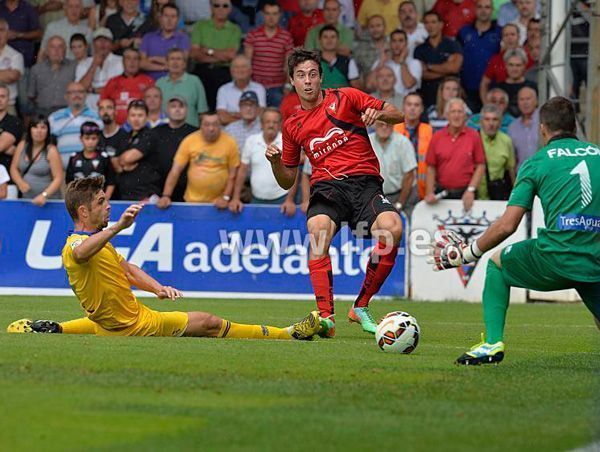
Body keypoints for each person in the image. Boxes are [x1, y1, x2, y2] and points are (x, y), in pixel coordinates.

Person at [7, 175, 320, 340]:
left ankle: (51, 329)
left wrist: (157, 287)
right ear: (83, 212)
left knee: (95, 324)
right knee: (209, 323)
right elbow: (80, 252)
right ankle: (287, 334)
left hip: (109, 324)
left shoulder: (100, 245)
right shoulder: (75, 245)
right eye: (102, 202)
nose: (109, 206)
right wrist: (119, 227)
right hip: (135, 326)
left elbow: (128, 269)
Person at [428, 96, 600, 365]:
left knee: (497, 264)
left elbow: (508, 225)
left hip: (554, 258)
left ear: (543, 128)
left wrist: (468, 253)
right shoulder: (598, 154)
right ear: (574, 126)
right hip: (594, 260)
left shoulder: (536, 162)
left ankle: (492, 343)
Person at [267, 49, 404, 338]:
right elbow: (286, 180)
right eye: (301, 75)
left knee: (393, 229)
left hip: (365, 184)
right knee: (317, 229)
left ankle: (361, 307)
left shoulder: (346, 97)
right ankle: (326, 318)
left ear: (320, 77)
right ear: (292, 80)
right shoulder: (292, 125)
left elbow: (398, 114)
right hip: (327, 188)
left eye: (313, 74)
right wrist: (276, 163)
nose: (308, 81)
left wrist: (378, 113)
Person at [157, 111, 239, 208]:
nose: (211, 128)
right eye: (207, 124)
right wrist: (166, 195)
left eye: (215, 124)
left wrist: (225, 197)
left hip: (219, 203)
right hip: (192, 201)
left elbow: (233, 175)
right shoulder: (190, 140)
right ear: (200, 126)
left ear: (220, 125)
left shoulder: (230, 142)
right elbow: (175, 171)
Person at [229, 108, 297, 214]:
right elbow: (242, 171)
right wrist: (236, 198)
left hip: (282, 199)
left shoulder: (287, 142)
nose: (271, 125)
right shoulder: (251, 141)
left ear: (280, 124)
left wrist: (290, 200)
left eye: (275, 122)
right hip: (256, 199)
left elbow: (293, 173)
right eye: (267, 122)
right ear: (261, 124)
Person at [424, 97, 485, 212]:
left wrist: (471, 190)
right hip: (442, 194)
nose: (456, 115)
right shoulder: (437, 137)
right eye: (453, 112)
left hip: (466, 194)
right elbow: (431, 167)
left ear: (465, 115)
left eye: (460, 112)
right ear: (447, 115)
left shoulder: (474, 136)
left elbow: (480, 165)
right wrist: (429, 192)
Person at [190, 0, 241, 111]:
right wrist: (221, 54)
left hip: (223, 72)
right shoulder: (201, 25)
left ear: (230, 9)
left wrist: (208, 50)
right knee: (197, 107)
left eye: (225, 6)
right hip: (201, 70)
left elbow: (230, 56)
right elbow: (194, 54)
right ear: (211, 8)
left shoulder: (235, 29)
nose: (221, 8)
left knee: (219, 108)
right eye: (217, 5)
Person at [243, 0, 293, 108]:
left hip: (278, 87)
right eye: (268, 13)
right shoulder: (253, 35)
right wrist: (247, 85)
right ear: (263, 14)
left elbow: (289, 63)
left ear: (280, 15)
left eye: (274, 14)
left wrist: (288, 85)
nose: (271, 17)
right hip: (255, 86)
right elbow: (247, 62)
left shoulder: (286, 37)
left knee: (278, 119)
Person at [457, 0, 501, 112]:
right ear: (475, 9)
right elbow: (457, 59)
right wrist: (458, 83)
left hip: (492, 87)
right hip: (467, 87)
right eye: (480, 7)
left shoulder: (499, 32)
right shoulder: (464, 31)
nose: (483, 10)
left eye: (487, 7)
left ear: (492, 11)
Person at [414, 11, 463, 109]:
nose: (430, 26)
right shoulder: (420, 49)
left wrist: (429, 66)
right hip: (428, 96)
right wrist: (447, 70)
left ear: (441, 25)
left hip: (451, 95)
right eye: (427, 23)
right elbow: (423, 74)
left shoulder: (453, 44)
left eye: (433, 22)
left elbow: (455, 68)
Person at [10, 115, 63, 205]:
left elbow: (58, 178)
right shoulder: (22, 145)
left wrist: (44, 195)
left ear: (48, 131)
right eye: (35, 127)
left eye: (43, 127)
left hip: (49, 201)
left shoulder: (51, 150)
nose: (39, 131)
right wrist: (19, 182)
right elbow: (13, 168)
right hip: (26, 199)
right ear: (30, 129)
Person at [152, 95, 197, 202]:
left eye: (181, 106)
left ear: (187, 110)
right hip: (160, 189)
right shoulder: (155, 132)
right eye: (173, 106)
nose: (177, 109)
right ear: (167, 110)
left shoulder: (195, 133)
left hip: (188, 189)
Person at [48, 81, 103, 168]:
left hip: (91, 171)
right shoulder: (54, 117)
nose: (77, 95)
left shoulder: (97, 116)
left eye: (80, 92)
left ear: (86, 95)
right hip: (63, 173)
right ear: (66, 96)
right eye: (73, 92)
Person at [370, 120, 417, 214]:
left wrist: (400, 203)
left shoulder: (403, 142)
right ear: (374, 124)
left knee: (404, 227)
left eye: (388, 124)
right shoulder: (367, 142)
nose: (384, 127)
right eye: (381, 124)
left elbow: (409, 175)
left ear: (393, 125)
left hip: (401, 196)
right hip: (375, 197)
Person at [101, 48, 155, 126]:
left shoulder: (148, 82)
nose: (132, 62)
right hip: (116, 128)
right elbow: (103, 105)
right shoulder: (112, 82)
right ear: (123, 62)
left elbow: (154, 106)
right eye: (128, 58)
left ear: (139, 62)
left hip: (141, 127)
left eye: (135, 59)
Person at [156, 48, 208, 128]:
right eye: (172, 59)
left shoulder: (195, 81)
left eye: (179, 59)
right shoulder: (159, 83)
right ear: (166, 63)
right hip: (164, 133)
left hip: (191, 132)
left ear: (184, 64)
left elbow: (202, 112)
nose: (175, 62)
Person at [394, 92, 432, 201]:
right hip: (397, 189)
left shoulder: (429, 130)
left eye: (416, 105)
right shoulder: (393, 129)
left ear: (422, 109)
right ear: (403, 107)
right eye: (409, 104)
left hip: (422, 190)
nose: (412, 108)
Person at [76, 27, 124, 111]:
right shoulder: (84, 63)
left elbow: (120, 88)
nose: (102, 44)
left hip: (113, 109)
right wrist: (94, 65)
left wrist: (93, 90)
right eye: (99, 40)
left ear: (111, 44)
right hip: (89, 110)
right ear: (93, 43)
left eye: (106, 40)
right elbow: (80, 89)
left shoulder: (120, 61)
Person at [28, 36, 77, 118]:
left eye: (60, 47)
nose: (56, 50)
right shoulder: (36, 69)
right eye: (52, 47)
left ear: (65, 50)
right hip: (42, 112)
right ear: (47, 51)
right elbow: (31, 95)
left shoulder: (74, 67)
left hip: (67, 112)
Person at [139, 3, 190, 80]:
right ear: (160, 18)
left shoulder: (183, 38)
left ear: (178, 19)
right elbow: (142, 63)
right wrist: (164, 67)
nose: (169, 20)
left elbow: (181, 64)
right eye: (166, 16)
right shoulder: (148, 37)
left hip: (174, 83)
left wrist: (154, 58)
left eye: (173, 16)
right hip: (150, 84)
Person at [66, 121, 116, 199]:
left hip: (99, 200)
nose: (90, 142)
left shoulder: (104, 157)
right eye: (87, 138)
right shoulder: (74, 158)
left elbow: (111, 182)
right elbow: (69, 182)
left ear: (98, 139)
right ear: (81, 138)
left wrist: (105, 199)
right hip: (79, 200)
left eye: (93, 138)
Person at [477, 104, 515, 200]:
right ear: (481, 122)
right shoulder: (473, 139)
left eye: (495, 119)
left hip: (497, 194)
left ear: (500, 122)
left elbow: (511, 170)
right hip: (475, 195)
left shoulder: (506, 141)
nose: (491, 123)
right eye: (487, 119)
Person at [368, 29, 421, 99]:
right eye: (394, 41)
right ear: (389, 43)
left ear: (406, 43)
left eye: (401, 41)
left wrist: (402, 60)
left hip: (405, 106)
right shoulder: (381, 62)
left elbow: (408, 84)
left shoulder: (415, 63)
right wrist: (381, 62)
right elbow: (369, 85)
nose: (397, 44)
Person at [216, 55, 267, 126]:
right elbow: (223, 118)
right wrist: (247, 116)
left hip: (254, 130)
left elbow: (260, 115)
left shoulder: (259, 88)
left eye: (243, 67)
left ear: (250, 71)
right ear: (231, 71)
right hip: (230, 132)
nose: (240, 70)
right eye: (236, 67)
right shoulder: (223, 90)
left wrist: (233, 114)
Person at [496, 48, 537, 118]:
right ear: (505, 65)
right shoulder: (499, 88)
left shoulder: (532, 87)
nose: (514, 69)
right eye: (511, 65)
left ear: (524, 66)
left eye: (518, 65)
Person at [318, 25, 360, 90]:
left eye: (333, 37)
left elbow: (356, 88)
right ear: (320, 40)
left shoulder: (348, 62)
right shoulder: (313, 61)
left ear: (338, 40)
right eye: (325, 37)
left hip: (342, 99)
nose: (329, 40)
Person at [353, 14, 388, 88]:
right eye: (372, 26)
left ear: (384, 27)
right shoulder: (360, 48)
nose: (375, 29)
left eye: (378, 26)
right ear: (367, 29)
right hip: (369, 89)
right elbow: (357, 75)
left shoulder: (393, 45)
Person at [508, 86, 538, 168]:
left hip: (545, 174)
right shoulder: (512, 127)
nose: (525, 103)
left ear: (536, 101)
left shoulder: (545, 121)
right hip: (523, 176)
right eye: (522, 99)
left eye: (528, 99)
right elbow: (512, 158)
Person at [0, 19, 24, 116]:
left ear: (8, 33)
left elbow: (12, 77)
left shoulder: (15, 55)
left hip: (8, 106)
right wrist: (4, 73)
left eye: (1, 30)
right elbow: (7, 76)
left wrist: (8, 75)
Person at [0, 83, 23, 174]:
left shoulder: (14, 122)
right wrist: (9, 149)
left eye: (3, 96)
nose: (0, 99)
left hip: (8, 178)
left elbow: (1, 146)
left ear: (8, 99)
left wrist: (4, 148)